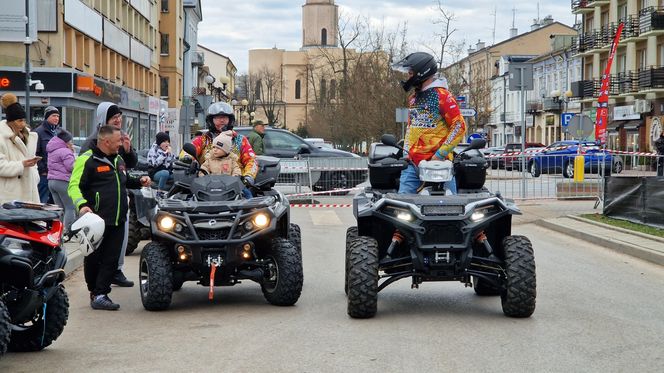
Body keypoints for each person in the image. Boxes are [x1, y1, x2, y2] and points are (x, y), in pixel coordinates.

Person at [68, 125, 150, 310]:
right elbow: (73, 186)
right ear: (106, 142)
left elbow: (124, 179)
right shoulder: (87, 160)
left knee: (111, 259)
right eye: (118, 141)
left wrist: (139, 182)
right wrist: (82, 205)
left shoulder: (119, 159)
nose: (120, 144)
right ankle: (95, 292)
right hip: (96, 221)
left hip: (118, 219)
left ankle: (101, 293)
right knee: (94, 258)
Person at [391, 52, 466, 194]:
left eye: (410, 73)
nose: (408, 77)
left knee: (451, 206)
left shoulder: (443, 96)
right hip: (413, 164)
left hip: (440, 165)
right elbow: (411, 128)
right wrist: (406, 154)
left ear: (421, 72)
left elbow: (459, 126)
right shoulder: (414, 98)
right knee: (403, 204)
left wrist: (440, 154)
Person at [80, 102, 137, 287]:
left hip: (119, 203)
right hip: (99, 209)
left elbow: (126, 167)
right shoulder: (92, 143)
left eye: (120, 117)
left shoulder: (121, 139)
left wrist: (128, 150)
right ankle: (96, 288)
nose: (118, 120)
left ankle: (114, 273)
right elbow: (79, 180)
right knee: (98, 251)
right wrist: (83, 204)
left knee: (116, 247)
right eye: (114, 118)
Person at [186, 101, 258, 197]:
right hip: (205, 187)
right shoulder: (203, 140)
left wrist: (248, 176)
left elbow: (251, 160)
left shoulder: (240, 140)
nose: (222, 120)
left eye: (225, 117)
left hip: (236, 187)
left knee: (251, 205)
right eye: (217, 118)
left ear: (230, 120)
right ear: (211, 120)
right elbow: (188, 151)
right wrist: (187, 158)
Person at [0, 93, 40, 204]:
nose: (23, 124)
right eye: (19, 121)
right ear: (11, 122)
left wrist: (34, 176)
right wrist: (22, 165)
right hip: (10, 194)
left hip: (30, 190)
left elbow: (32, 163)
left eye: (24, 120)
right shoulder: (2, 138)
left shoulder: (30, 137)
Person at [47, 129, 76, 234]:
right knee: (70, 207)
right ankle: (68, 231)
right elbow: (71, 167)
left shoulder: (52, 150)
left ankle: (58, 232)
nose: (72, 143)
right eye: (70, 141)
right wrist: (73, 154)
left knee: (60, 209)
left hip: (51, 182)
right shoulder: (65, 151)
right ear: (66, 142)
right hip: (63, 181)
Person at [33, 106, 61, 203]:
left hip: (57, 175)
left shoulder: (58, 132)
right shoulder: (38, 132)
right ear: (47, 117)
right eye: (54, 115)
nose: (56, 118)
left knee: (55, 204)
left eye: (58, 116)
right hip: (44, 176)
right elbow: (34, 153)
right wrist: (43, 170)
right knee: (42, 202)